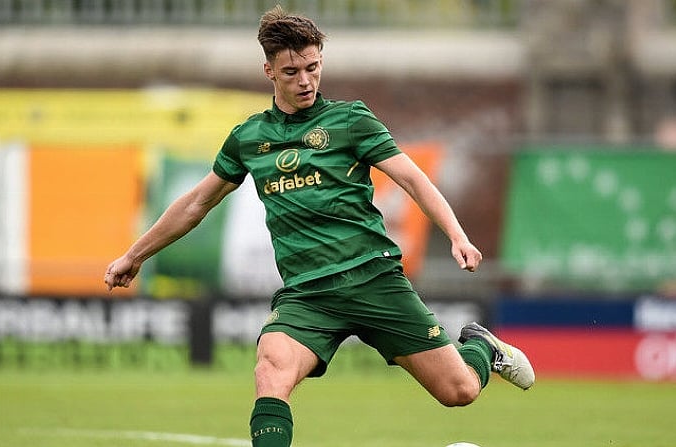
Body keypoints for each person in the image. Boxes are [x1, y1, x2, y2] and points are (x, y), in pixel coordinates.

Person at [104, 5, 534, 447]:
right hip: (308, 295)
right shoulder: (249, 138)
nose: (306, 81)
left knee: (458, 391)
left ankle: (483, 347)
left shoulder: (350, 121)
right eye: (292, 72)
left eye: (313, 68)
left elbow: (410, 176)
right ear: (268, 70)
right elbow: (197, 202)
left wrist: (457, 236)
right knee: (271, 368)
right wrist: (134, 255)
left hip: (373, 280)